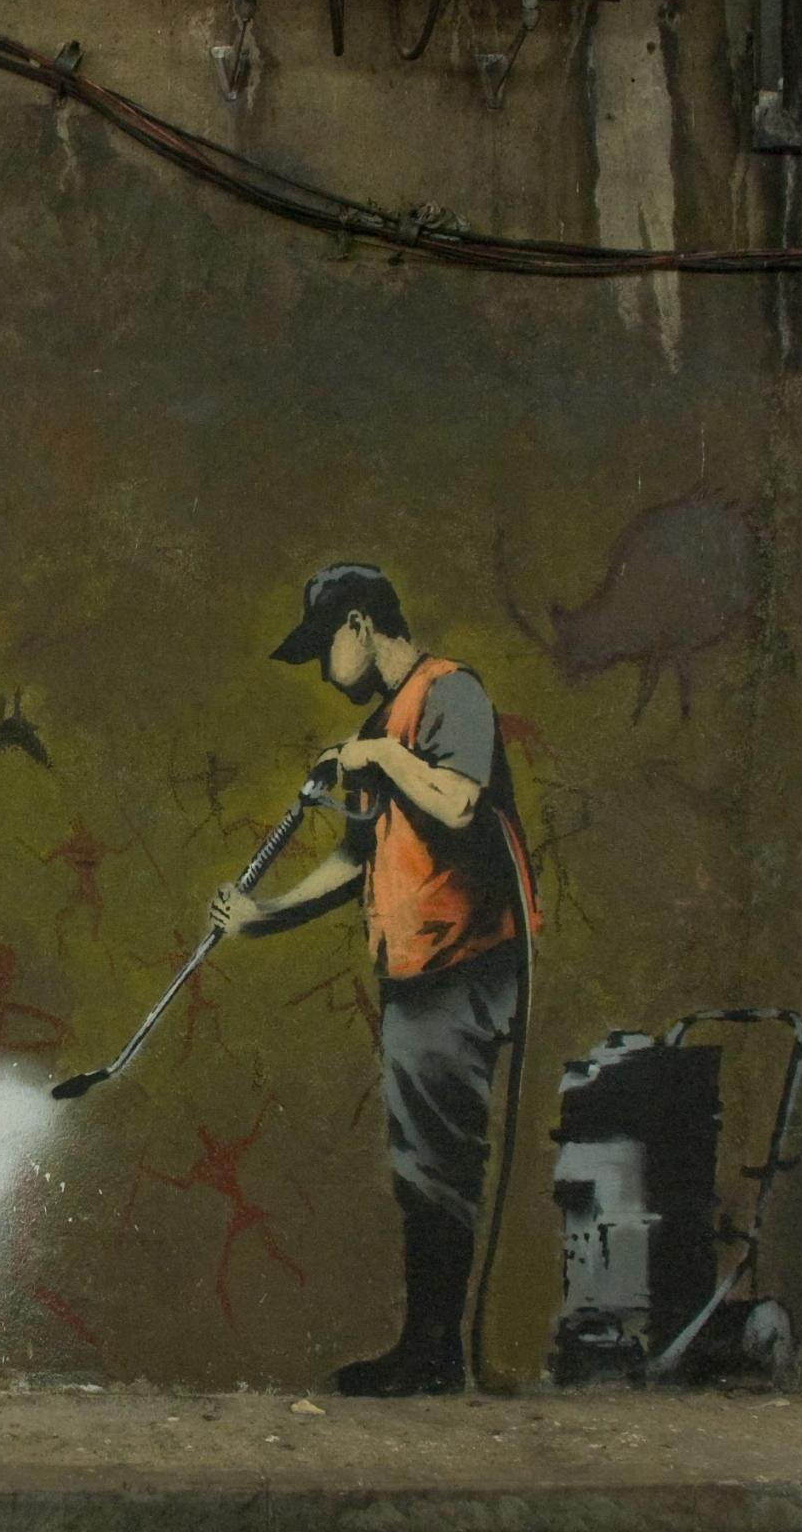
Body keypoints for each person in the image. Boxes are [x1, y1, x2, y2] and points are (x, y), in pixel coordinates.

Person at [210, 562, 536, 1397]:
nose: (326, 671)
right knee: (421, 1164)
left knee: (439, 1167)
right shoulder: (377, 728)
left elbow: (459, 802)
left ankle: (434, 1357)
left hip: (462, 961)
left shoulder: (450, 692)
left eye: (326, 648)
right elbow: (356, 857)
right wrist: (263, 915)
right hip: (412, 970)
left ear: (359, 623)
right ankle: (429, 1350)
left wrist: (380, 754)